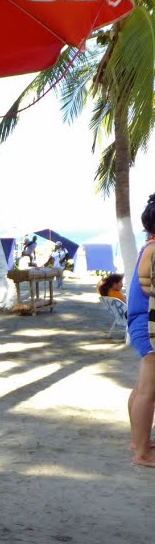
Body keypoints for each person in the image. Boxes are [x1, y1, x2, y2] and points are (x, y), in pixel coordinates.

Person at [126, 193, 155, 468]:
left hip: (141, 323)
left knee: (141, 387)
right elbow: (151, 290)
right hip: (149, 326)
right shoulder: (154, 249)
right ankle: (142, 453)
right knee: (149, 391)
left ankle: (138, 441)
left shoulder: (148, 246)